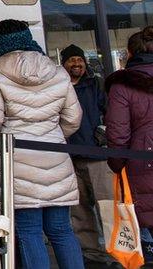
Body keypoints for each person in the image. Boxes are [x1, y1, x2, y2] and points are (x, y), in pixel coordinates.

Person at [0, 19, 84, 269]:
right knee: (61, 230)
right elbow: (74, 118)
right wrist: (52, 136)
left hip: (15, 160)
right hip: (56, 156)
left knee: (29, 232)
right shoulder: (58, 71)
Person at [61, 44, 112, 263]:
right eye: (71, 60)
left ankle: (117, 251)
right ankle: (92, 253)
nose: (76, 63)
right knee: (80, 212)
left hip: (98, 156)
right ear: (63, 64)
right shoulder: (60, 86)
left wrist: (104, 135)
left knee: (107, 207)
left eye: (79, 59)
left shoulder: (96, 84)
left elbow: (109, 112)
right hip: (71, 158)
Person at [106, 28, 153, 245]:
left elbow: (118, 135)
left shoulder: (123, 86)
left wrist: (117, 164)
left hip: (144, 166)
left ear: (130, 53)